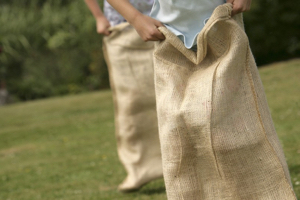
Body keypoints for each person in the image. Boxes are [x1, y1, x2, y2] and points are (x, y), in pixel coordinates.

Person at [106, 0, 297, 199]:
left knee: (233, 123)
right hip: (168, 34)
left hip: (222, 22)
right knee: (178, 128)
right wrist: (135, 18)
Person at [84, 0, 163, 192]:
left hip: (167, 21)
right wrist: (99, 17)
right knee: (132, 104)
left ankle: (186, 162)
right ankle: (139, 169)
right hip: (120, 25)